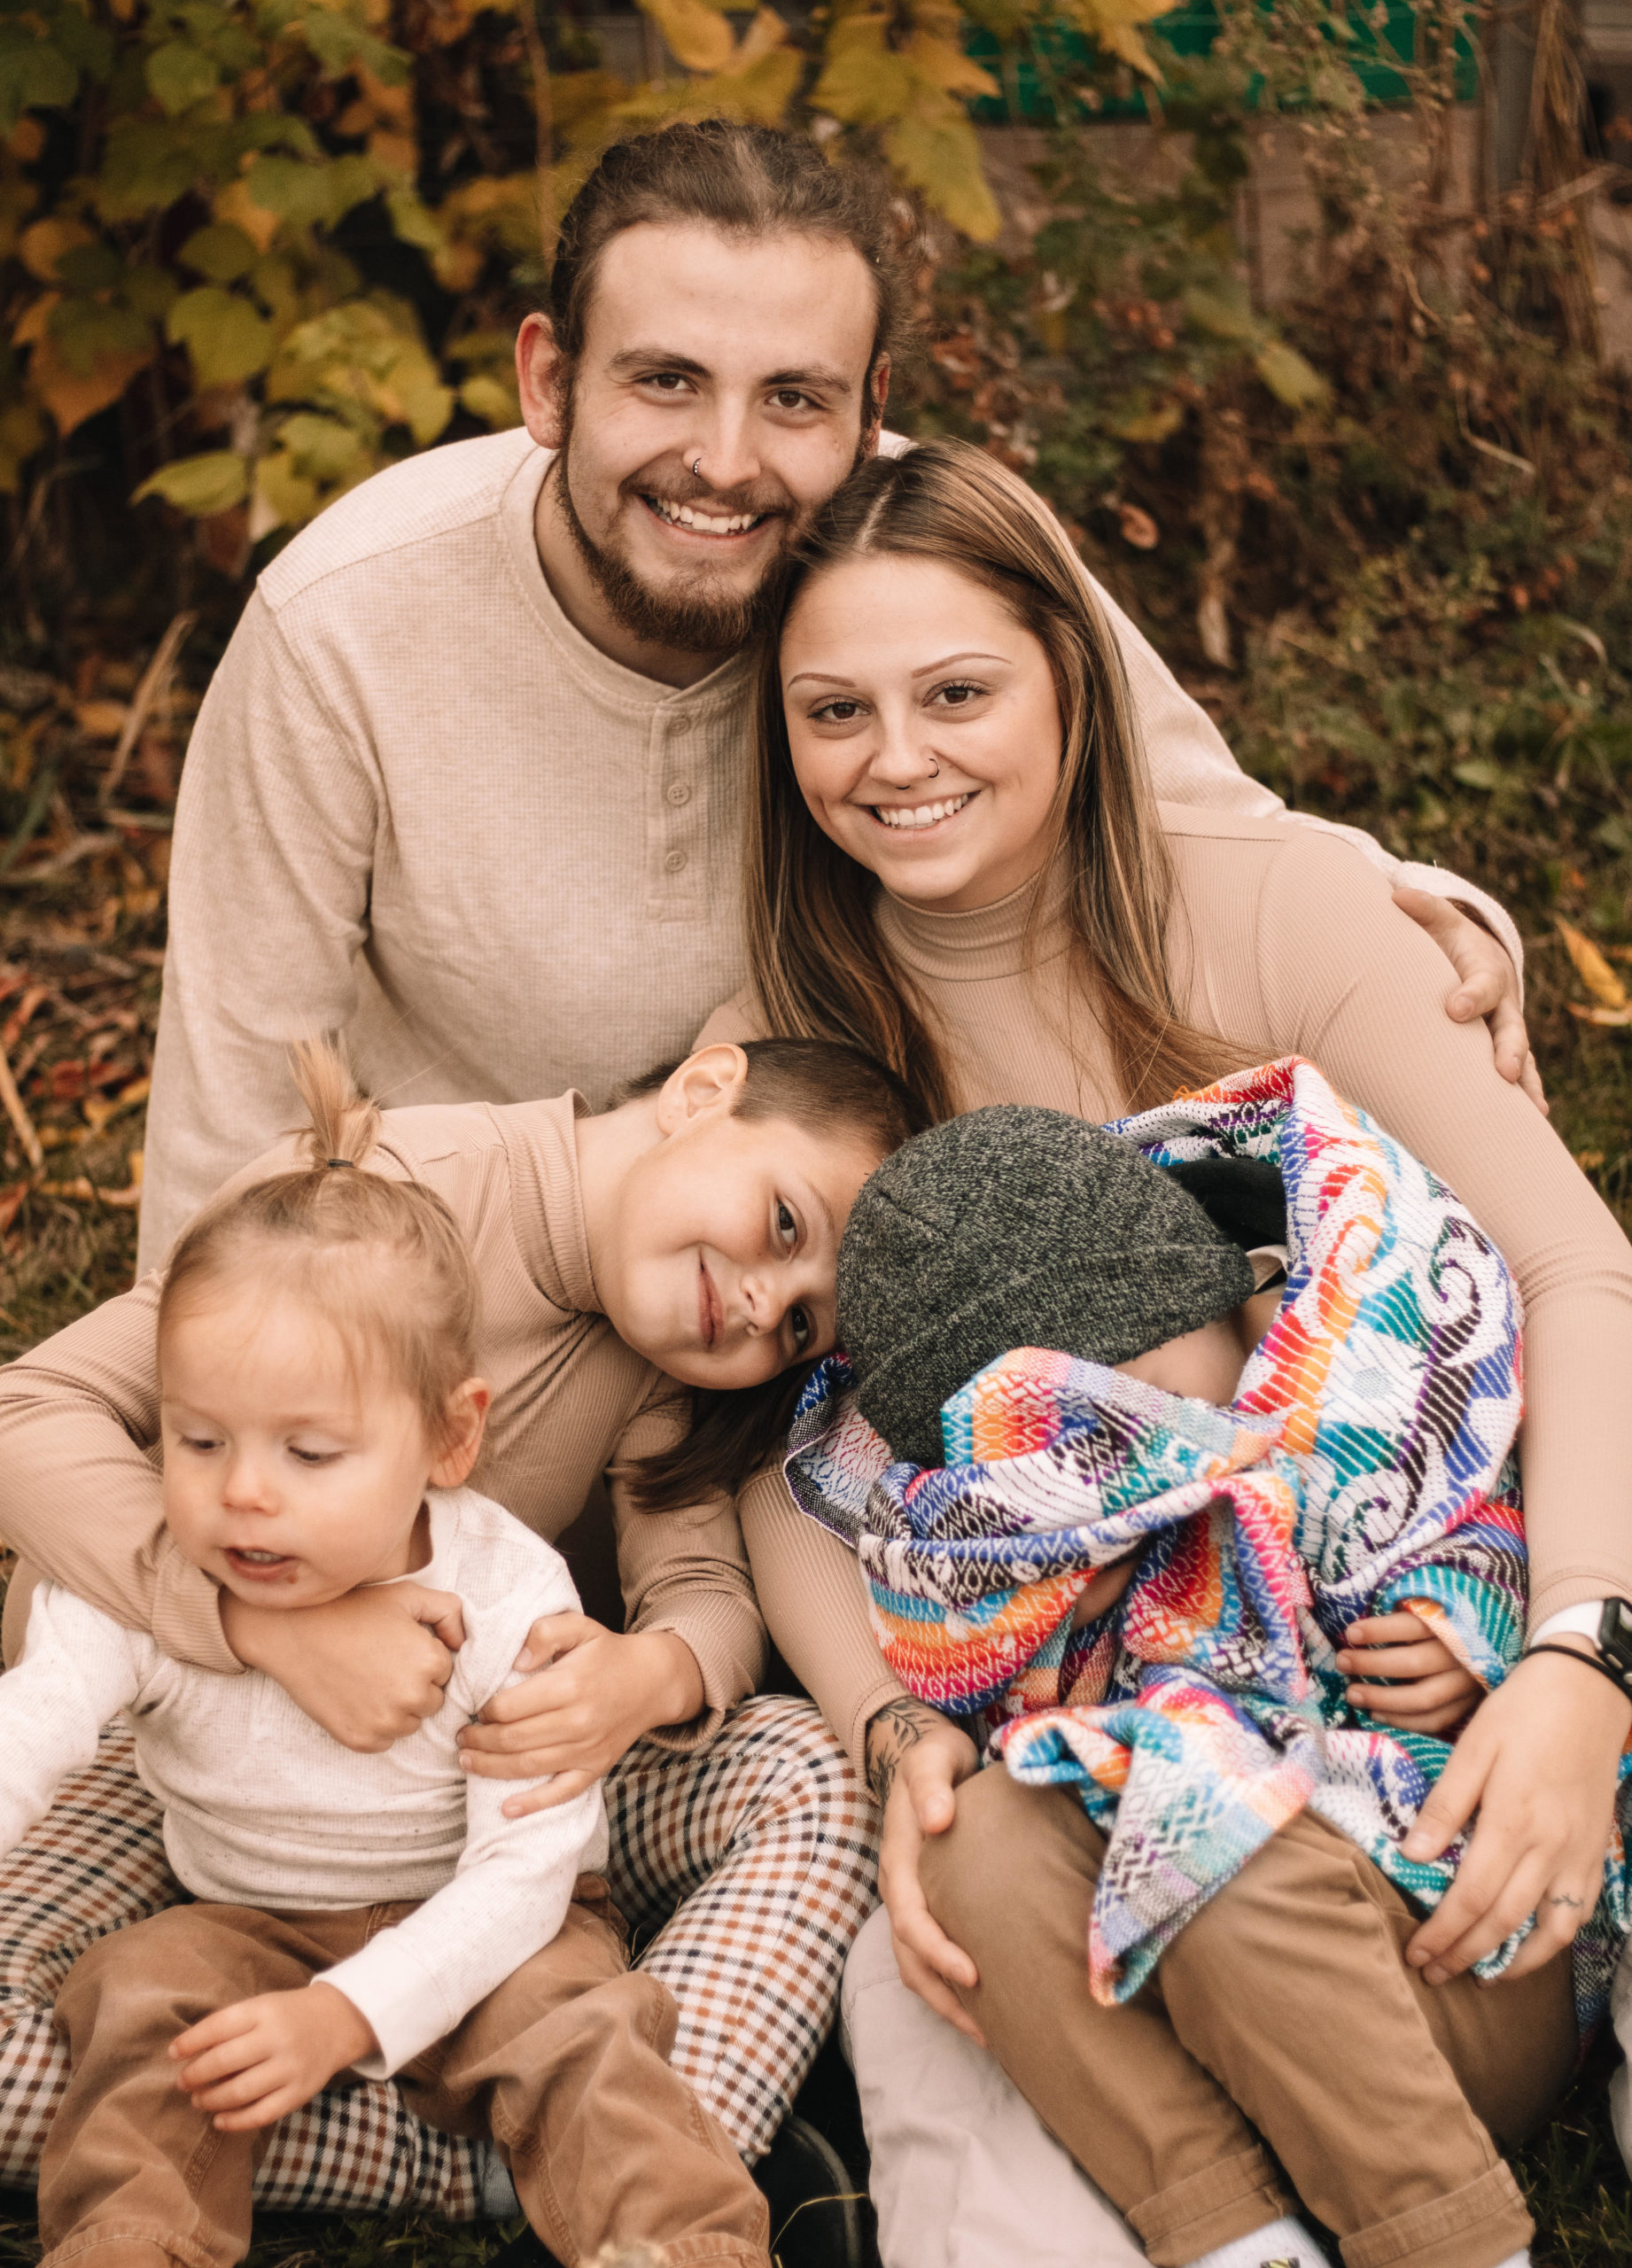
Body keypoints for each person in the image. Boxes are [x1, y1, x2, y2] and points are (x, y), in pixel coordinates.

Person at [23, 113, 1527, 2228]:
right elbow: (212, 1239)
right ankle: (402, 2094)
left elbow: (1174, 793)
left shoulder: (877, 574)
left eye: (794, 400)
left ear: (865, 418)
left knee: (843, 1781)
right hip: (316, 1472)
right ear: (547, 380)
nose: (727, 457)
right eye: (664, 382)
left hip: (714, 1457)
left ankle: (684, 2081)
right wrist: (260, 1607)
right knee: (84, 1812)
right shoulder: (347, 633)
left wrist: (1419, 905)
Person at [703, 436, 1632, 2268]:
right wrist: (893, 1732)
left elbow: (1575, 1267)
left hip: (1413, 1765)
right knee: (993, 1869)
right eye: (835, 711)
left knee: (1215, 1847)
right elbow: (769, 1449)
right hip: (1080, 1765)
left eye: (957, 691)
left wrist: (1577, 1662)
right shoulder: (805, 1030)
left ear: (1074, 673)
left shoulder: (1282, 908)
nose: (897, 760)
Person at [0, 1032, 917, 2225]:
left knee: (814, 1781)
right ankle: (504, 2164)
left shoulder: (660, 1359)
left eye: (798, 1327)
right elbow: (29, 1410)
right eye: (784, 1229)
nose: (757, 1305)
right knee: (124, 2013)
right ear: (701, 1091)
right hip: (183, 1748)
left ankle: (564, 2151)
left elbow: (695, 1573)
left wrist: (650, 1670)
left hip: (480, 1784)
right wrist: (254, 1626)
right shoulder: (359, 1197)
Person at [785, 1082, 1604, 2268]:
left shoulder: (1355, 1387)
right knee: (981, 1829)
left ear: (1223, 1290)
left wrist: (1466, 1633)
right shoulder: (1002, 1561)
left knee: (1202, 1822)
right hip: (1193, 2048)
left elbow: (1478, 1515)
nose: (1151, 1476)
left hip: (1438, 1961)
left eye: (1157, 1408)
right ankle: (1239, 2240)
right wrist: (1063, 1617)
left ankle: (1452, 2244)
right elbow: (999, 1715)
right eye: (1083, 1466)